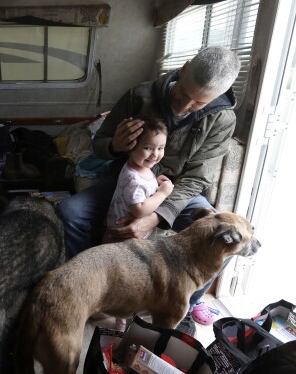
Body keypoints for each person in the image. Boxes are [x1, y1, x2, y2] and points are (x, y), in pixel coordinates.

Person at [57, 46, 241, 336]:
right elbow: (100, 143)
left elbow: (196, 179)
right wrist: (114, 145)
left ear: (215, 97)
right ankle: (91, 290)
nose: (184, 106)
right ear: (183, 68)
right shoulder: (139, 96)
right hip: (128, 180)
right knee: (70, 212)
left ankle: (186, 304)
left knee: (221, 235)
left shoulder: (222, 120)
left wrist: (156, 216)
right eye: (182, 95)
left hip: (176, 189)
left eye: (197, 104)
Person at [102, 117, 173, 331]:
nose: (155, 154)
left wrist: (155, 181)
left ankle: (109, 308)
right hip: (123, 238)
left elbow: (145, 188)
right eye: (148, 148)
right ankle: (122, 322)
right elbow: (140, 209)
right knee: (125, 281)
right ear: (131, 147)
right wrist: (163, 192)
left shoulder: (141, 167)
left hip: (129, 236)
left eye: (160, 148)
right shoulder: (133, 179)